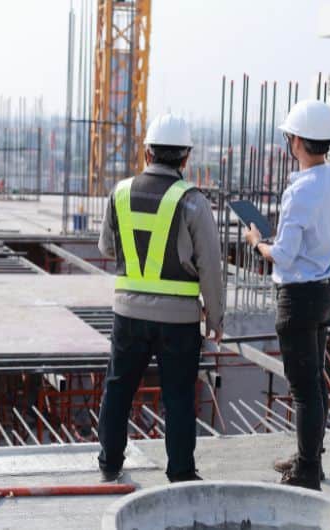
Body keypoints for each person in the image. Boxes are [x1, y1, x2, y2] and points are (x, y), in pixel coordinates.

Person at [97, 114, 224, 484]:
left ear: (147, 151)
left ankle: (109, 462)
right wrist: (215, 320)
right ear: (185, 158)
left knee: (118, 388)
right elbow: (211, 268)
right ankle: (181, 473)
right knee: (180, 397)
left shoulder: (119, 192)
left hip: (128, 314)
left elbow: (107, 246)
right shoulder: (193, 202)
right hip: (179, 321)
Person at [243, 100, 330, 491]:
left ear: (296, 141)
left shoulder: (299, 191)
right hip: (324, 292)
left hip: (298, 297)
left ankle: (307, 472)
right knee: (316, 383)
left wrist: (257, 242)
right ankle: (309, 459)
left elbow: (282, 255)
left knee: (304, 390)